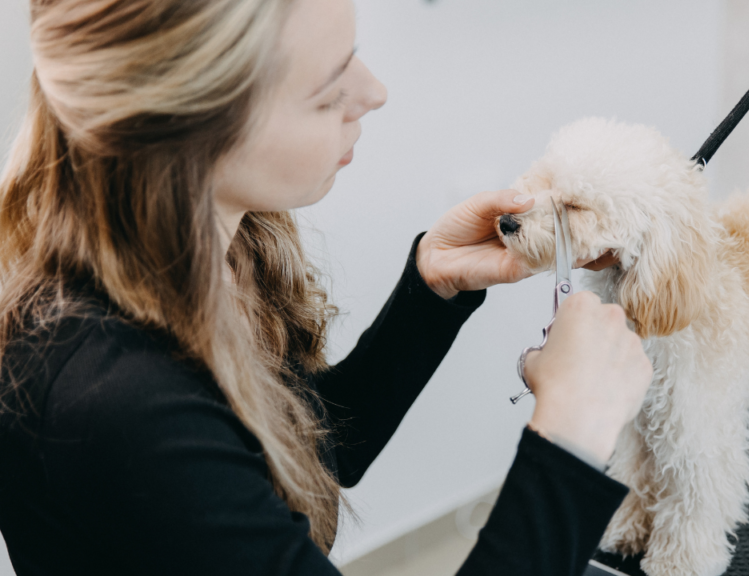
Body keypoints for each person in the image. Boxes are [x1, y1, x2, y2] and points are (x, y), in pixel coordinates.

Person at [0, 0, 653, 575]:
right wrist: (571, 432)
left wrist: (432, 288)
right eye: (327, 87)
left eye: (356, 56)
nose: (373, 92)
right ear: (185, 125)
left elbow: (308, 453)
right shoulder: (112, 400)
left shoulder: (220, 252)